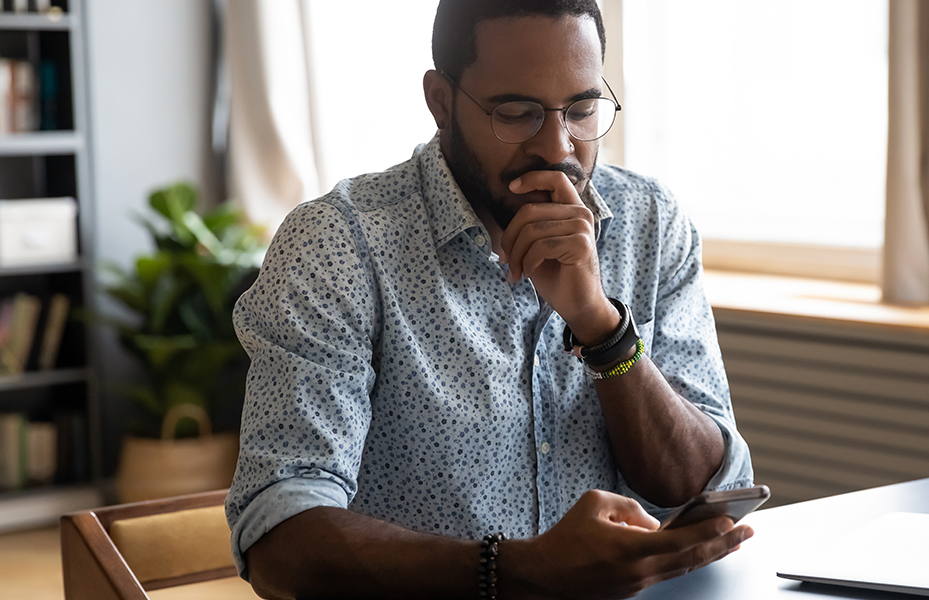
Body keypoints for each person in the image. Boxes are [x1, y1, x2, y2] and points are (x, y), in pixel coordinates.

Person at [226, 1, 755, 598]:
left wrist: (602, 330)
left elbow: (704, 484)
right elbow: (279, 538)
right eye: (516, 113)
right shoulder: (339, 245)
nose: (557, 147)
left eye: (582, 109)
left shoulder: (650, 223)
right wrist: (516, 572)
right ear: (440, 102)